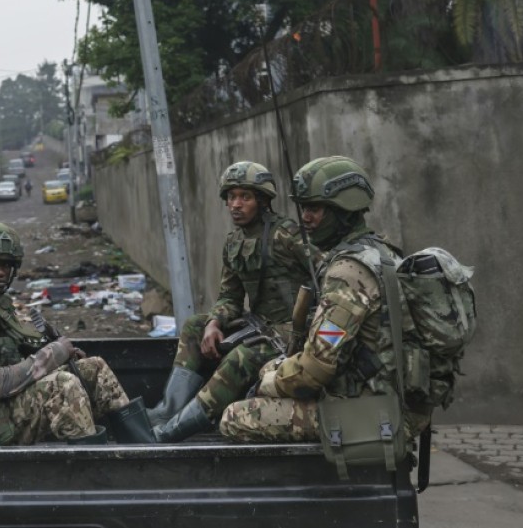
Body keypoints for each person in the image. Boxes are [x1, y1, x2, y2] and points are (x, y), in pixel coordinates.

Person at [220, 156, 430, 443]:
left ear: (343, 211)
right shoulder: (380, 251)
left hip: (370, 408)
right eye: (303, 208)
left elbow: (314, 370)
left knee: (236, 416)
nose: (305, 218)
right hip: (384, 393)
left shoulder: (348, 273)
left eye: (314, 209)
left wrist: (266, 383)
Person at [0, 221, 155, 445]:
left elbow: (17, 356)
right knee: (63, 385)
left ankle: (146, 453)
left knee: (94, 369)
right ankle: (94, 473)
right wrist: (54, 353)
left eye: (6, 265)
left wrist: (60, 356)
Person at [149, 161, 319, 443]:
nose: (235, 204)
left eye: (245, 197)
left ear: (263, 201)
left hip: (293, 331)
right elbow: (230, 296)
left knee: (242, 357)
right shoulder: (233, 243)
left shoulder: (287, 234)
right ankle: (167, 411)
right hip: (261, 324)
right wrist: (214, 323)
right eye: (231, 197)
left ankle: (173, 431)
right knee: (194, 325)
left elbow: (325, 275)